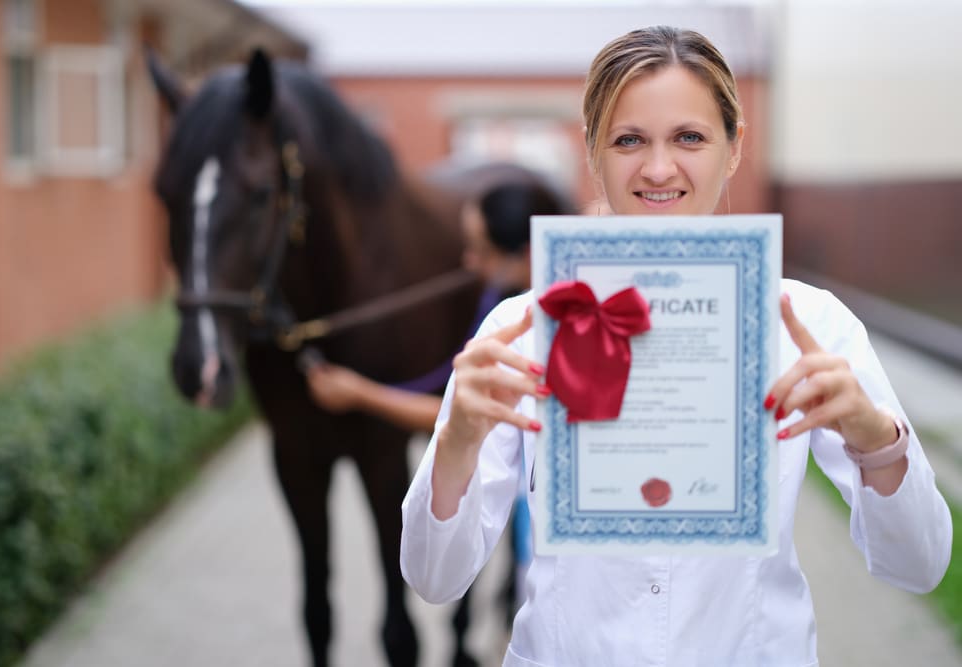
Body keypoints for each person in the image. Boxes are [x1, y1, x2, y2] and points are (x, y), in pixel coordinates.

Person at [399, 25, 952, 667]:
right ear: (591, 151)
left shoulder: (810, 326)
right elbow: (434, 579)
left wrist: (874, 438)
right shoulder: (521, 329)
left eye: (689, 137)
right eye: (628, 139)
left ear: (734, 147)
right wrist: (459, 439)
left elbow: (922, 565)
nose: (659, 168)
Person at [305, 180, 565, 659]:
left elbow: (473, 414)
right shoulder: (502, 311)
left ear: (525, 253)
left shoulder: (533, 323)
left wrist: (360, 394)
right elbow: (463, 408)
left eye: (482, 250)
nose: (470, 262)